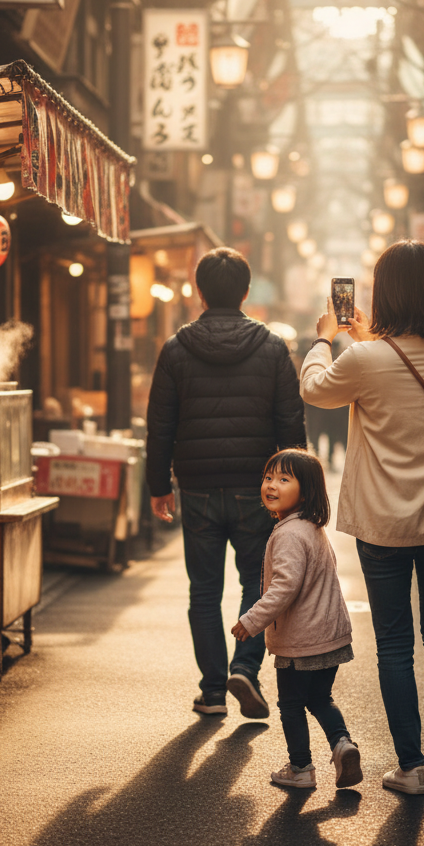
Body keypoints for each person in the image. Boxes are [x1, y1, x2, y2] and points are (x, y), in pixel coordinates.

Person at [300, 240, 424, 797]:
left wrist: (324, 337)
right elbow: (405, 372)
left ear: (383, 293)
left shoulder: (362, 360)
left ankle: (410, 767)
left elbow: (316, 388)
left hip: (383, 523)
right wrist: (365, 343)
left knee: (394, 643)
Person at [146, 247, 307, 719]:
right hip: (257, 489)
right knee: (256, 582)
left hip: (195, 487)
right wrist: (296, 488)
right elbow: (290, 424)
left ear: (199, 292)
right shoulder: (273, 348)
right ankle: (245, 668)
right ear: (246, 291)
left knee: (203, 590)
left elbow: (160, 426)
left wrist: (159, 486)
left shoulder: (176, 349)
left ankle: (213, 689)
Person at [231, 448, 361, 791]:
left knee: (290, 704)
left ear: (306, 491)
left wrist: (252, 620)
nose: (271, 485)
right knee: (320, 699)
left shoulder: (288, 534)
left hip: (300, 640)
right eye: (268, 477)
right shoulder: (310, 528)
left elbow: (284, 587)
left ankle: (301, 767)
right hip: (330, 635)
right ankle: (342, 743)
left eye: (283, 479)